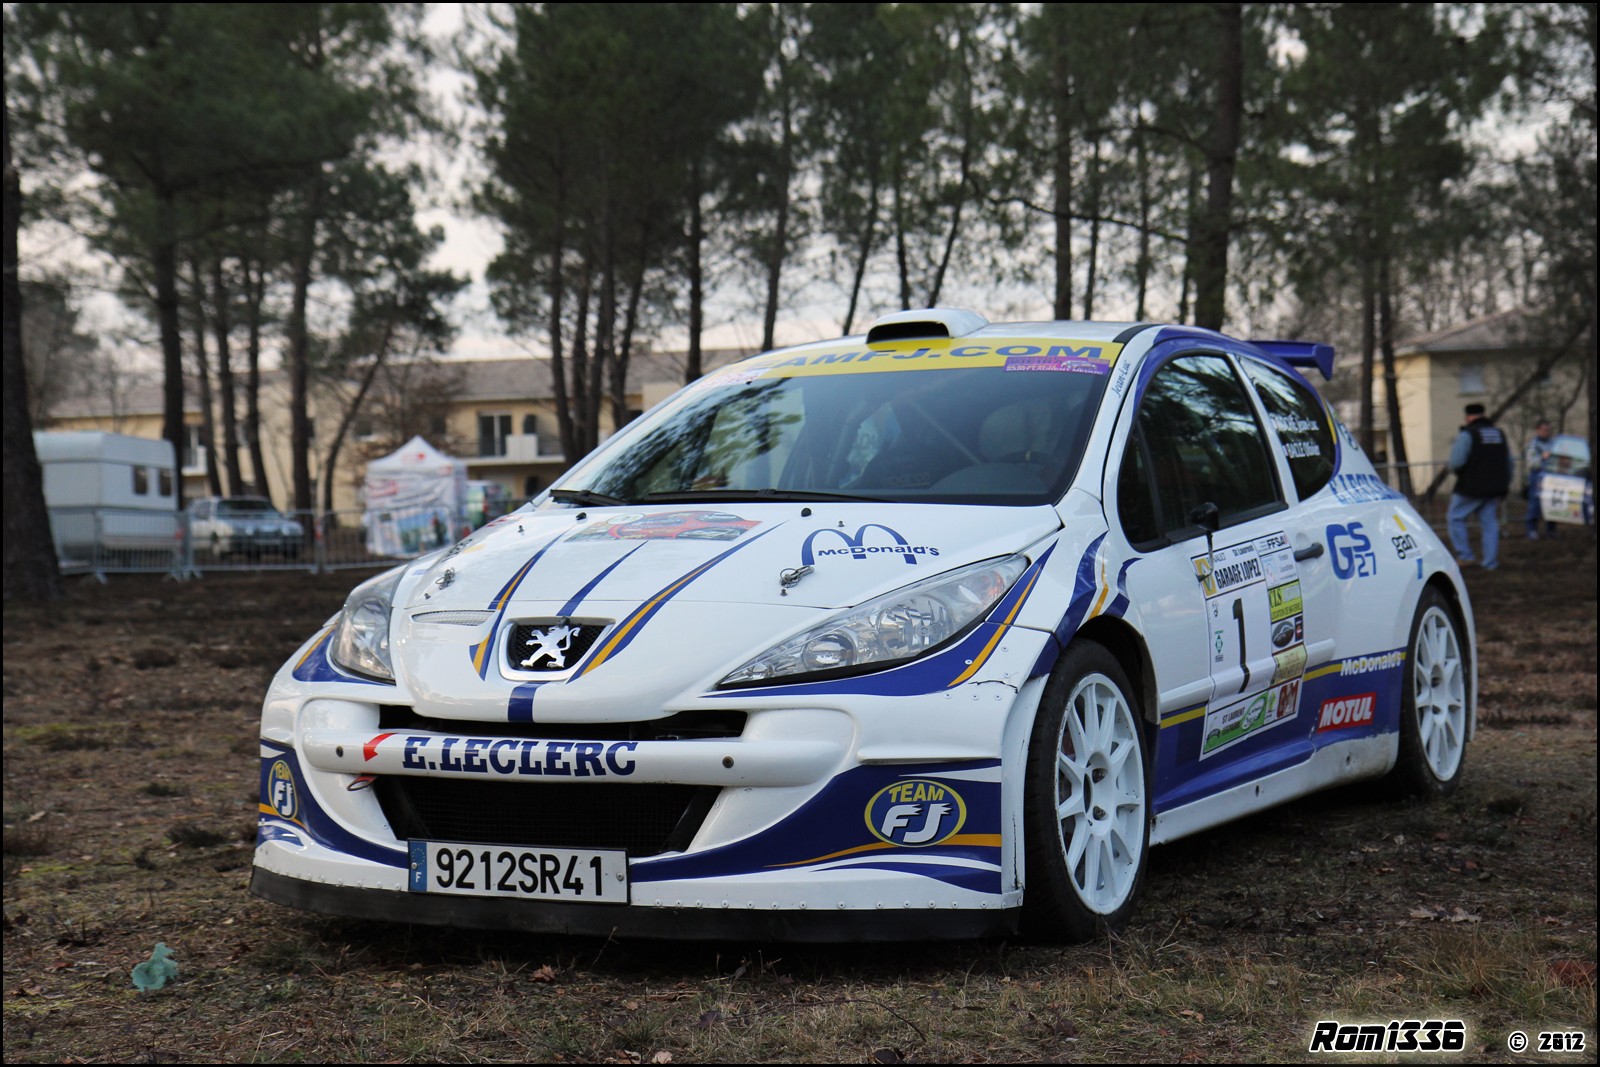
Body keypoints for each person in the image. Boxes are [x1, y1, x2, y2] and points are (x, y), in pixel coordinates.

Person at [1446, 403, 1513, 571]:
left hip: (1469, 488)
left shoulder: (1468, 434)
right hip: (1494, 489)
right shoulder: (1499, 434)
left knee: (1455, 518)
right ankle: (1490, 562)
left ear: (1468, 417)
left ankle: (1465, 556)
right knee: (1490, 524)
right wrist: (1504, 484)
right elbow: (1509, 463)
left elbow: (1456, 462)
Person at [1522, 419, 1558, 539]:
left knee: (1552, 503)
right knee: (1535, 504)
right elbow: (1531, 464)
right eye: (1543, 430)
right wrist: (1543, 457)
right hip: (1537, 477)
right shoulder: (1533, 445)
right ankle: (1531, 530)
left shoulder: (1554, 443)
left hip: (1552, 477)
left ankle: (1551, 530)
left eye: (1548, 430)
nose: (1546, 432)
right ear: (1537, 430)